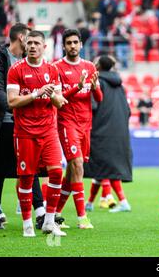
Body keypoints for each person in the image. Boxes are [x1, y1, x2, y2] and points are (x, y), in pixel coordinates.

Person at [0, 23, 46, 230]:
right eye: (30, 39)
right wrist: (12, 103)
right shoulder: (0, 58)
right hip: (3, 122)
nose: (32, 44)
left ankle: (40, 212)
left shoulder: (29, 62)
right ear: (20, 38)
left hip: (25, 122)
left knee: (30, 167)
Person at [6, 30, 68, 237]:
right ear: (25, 45)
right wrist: (37, 93)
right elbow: (12, 101)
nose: (32, 46)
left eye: (37, 43)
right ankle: (27, 225)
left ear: (44, 47)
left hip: (48, 130)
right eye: (29, 42)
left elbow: (59, 102)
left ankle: (49, 222)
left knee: (57, 172)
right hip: (24, 132)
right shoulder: (16, 70)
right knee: (26, 177)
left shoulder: (52, 70)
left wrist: (54, 96)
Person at [52, 29, 103, 229]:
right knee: (78, 165)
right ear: (64, 46)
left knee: (73, 172)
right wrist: (77, 86)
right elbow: (59, 100)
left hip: (85, 125)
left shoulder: (90, 67)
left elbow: (99, 99)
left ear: (81, 44)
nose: (72, 46)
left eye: (75, 42)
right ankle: (82, 217)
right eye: (69, 43)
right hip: (67, 123)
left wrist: (94, 87)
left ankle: (55, 213)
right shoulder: (56, 68)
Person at [84, 55, 132, 213]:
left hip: (101, 131)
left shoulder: (97, 83)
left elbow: (93, 107)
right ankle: (89, 203)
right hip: (120, 131)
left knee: (104, 167)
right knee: (103, 168)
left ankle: (123, 202)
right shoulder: (120, 85)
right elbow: (128, 110)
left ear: (98, 66)